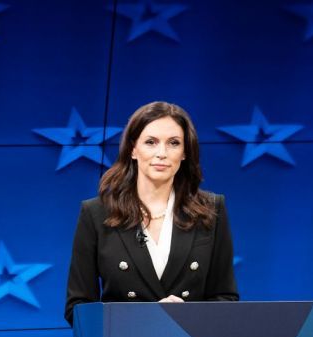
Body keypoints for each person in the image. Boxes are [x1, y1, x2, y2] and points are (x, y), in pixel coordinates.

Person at [64, 101, 238, 324]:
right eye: (151, 142)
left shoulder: (212, 209)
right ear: (133, 149)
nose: (162, 153)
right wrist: (145, 320)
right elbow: (77, 309)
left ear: (185, 153)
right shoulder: (96, 213)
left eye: (174, 143)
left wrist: (189, 316)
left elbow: (226, 298)